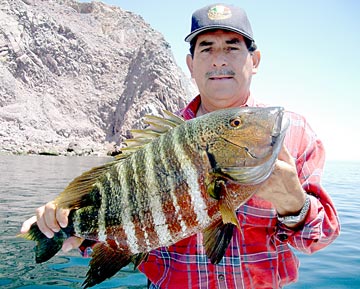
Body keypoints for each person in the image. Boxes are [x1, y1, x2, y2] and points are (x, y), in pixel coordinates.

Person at [21, 3, 340, 289]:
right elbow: (121, 224)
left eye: (232, 47)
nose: (219, 60)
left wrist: (294, 204)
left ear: (254, 60)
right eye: (206, 49)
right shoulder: (159, 142)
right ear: (190, 64)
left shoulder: (295, 133)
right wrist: (63, 227)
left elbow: (320, 239)